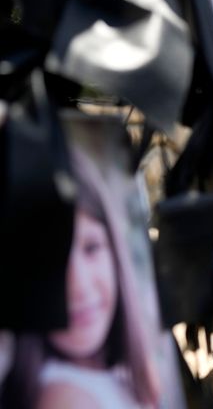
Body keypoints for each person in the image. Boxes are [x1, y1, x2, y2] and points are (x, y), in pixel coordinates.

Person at [0, 149, 160, 409]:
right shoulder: (64, 400)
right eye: (51, 258)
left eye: (91, 247)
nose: (79, 285)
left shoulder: (117, 374)